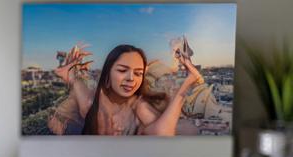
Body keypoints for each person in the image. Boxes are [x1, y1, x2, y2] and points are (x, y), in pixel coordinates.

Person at [54, 43, 203, 136]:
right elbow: (77, 85)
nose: (131, 78)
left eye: (138, 73)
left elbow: (162, 133)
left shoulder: (139, 105)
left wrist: (188, 82)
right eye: (122, 70)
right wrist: (69, 73)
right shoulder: (90, 103)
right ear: (107, 72)